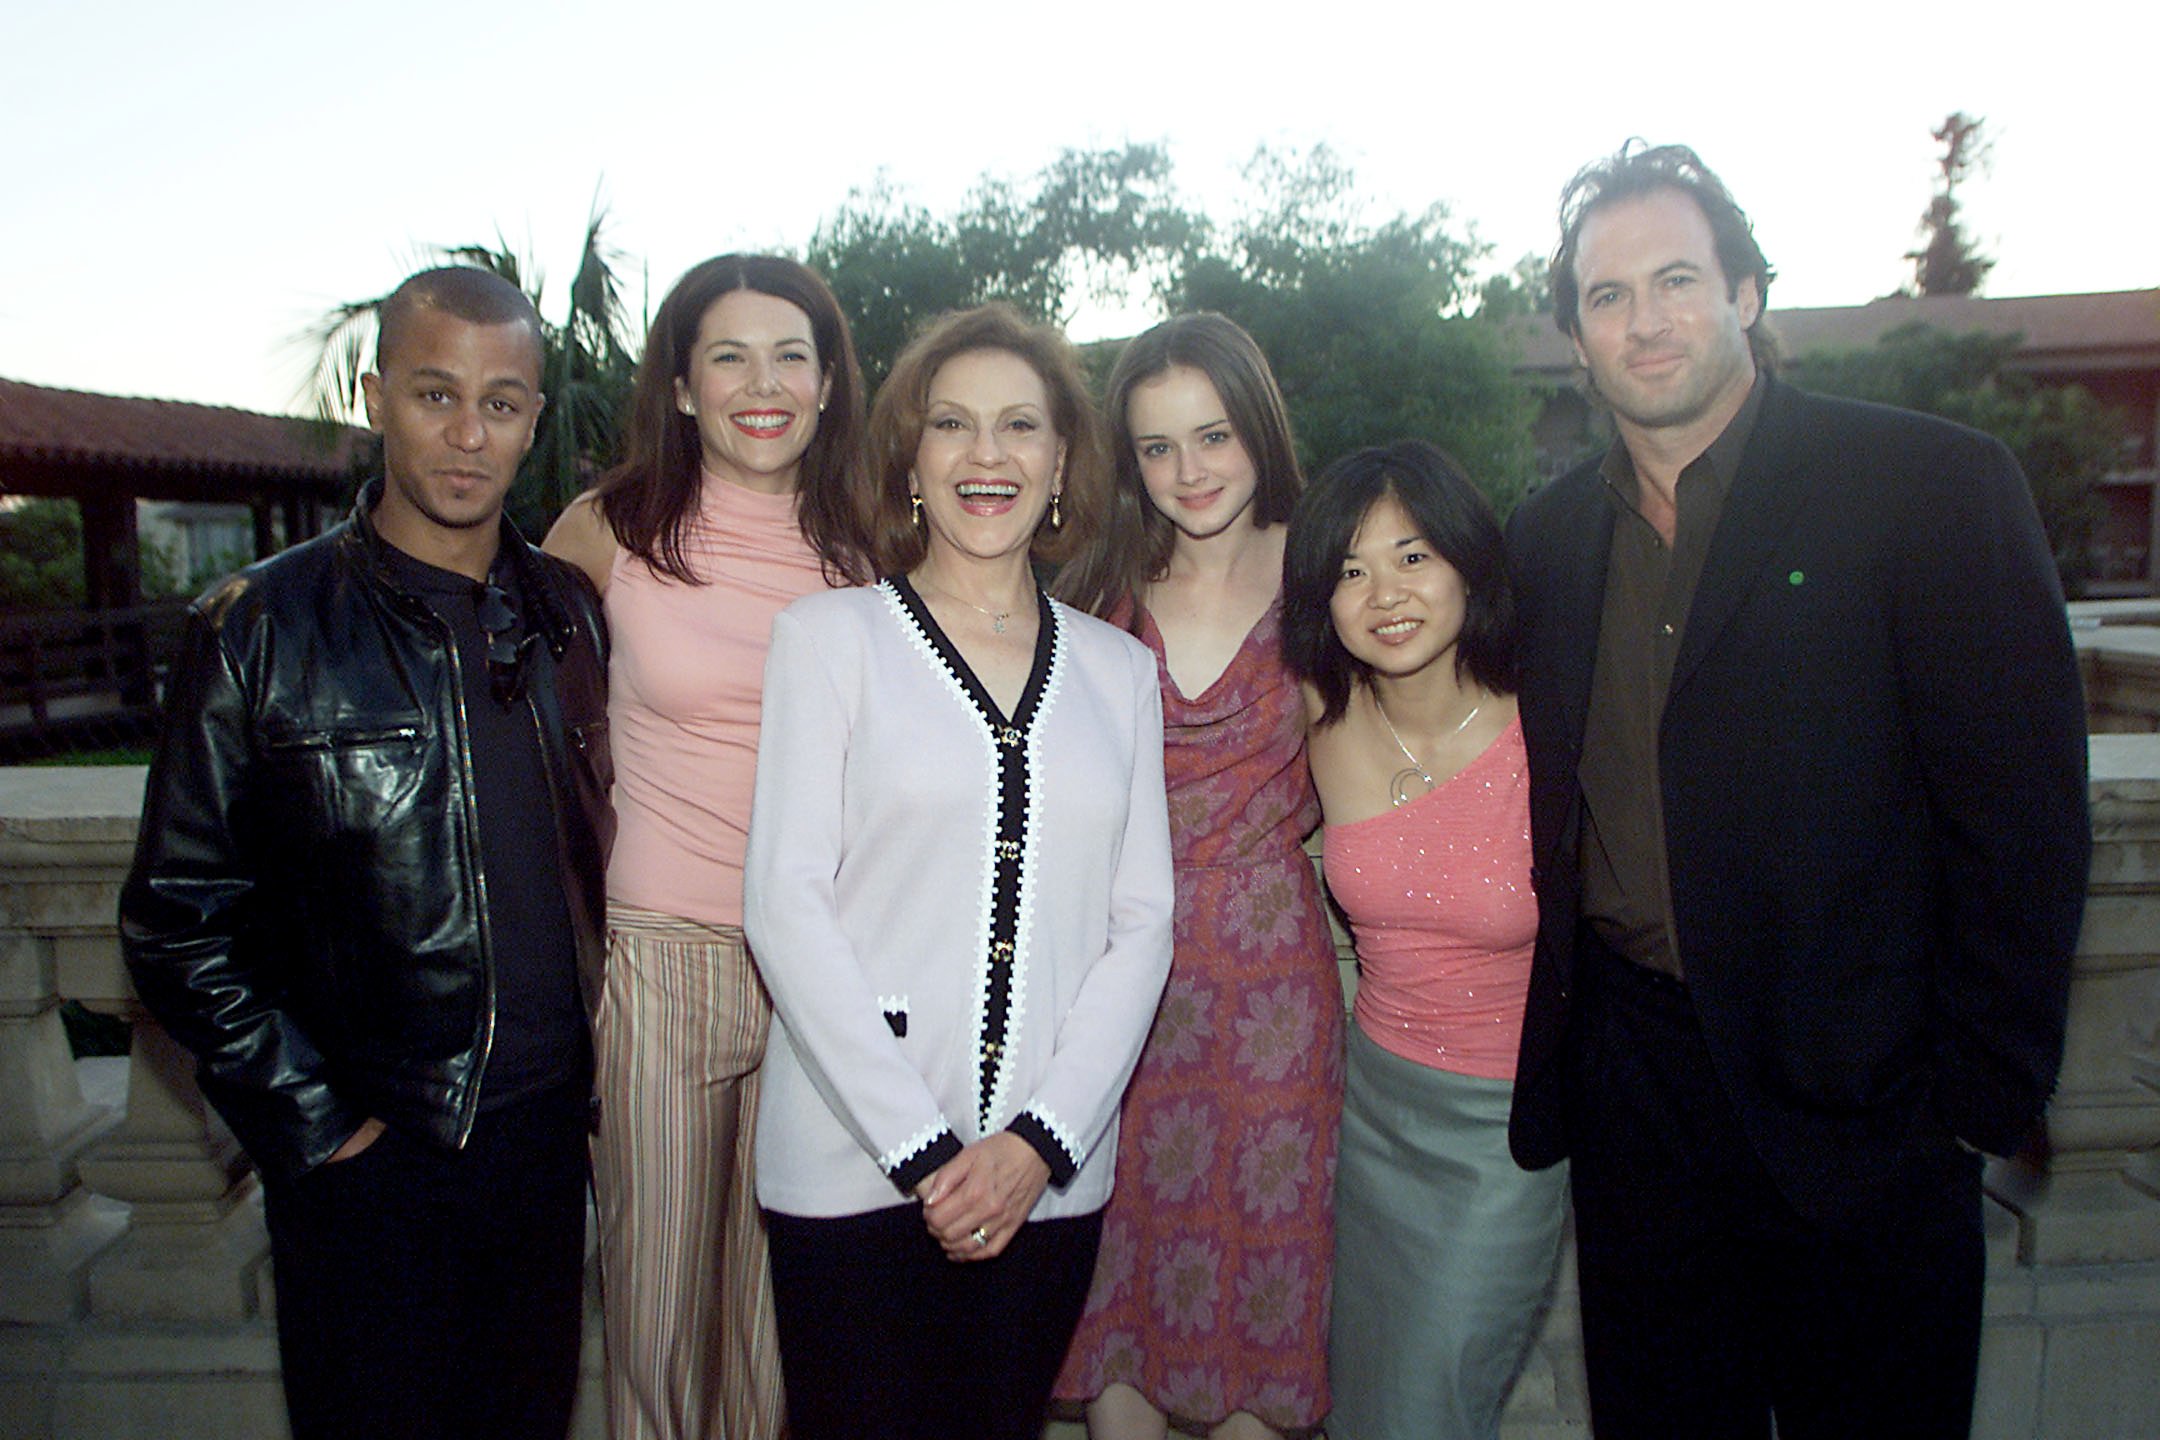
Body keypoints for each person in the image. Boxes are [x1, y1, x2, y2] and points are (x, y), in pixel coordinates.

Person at [1506, 142, 2091, 1438]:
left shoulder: (1929, 487)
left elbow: (2027, 823)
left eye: (1675, 280)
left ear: (1747, 295)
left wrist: (1969, 1108)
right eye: (1608, 296)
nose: (1645, 320)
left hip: (1869, 1115)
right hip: (1636, 1109)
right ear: (1576, 335)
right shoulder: (1546, 545)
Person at [119, 266, 612, 1440]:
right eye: (436, 393)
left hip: (547, 1146)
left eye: (502, 403)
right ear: (376, 393)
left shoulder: (567, 613)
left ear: (534, 421)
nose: (467, 432)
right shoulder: (259, 628)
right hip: (372, 1157)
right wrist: (320, 1125)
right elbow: (175, 919)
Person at [742, 303, 1175, 1440]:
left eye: (1020, 427)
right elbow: (784, 903)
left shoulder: (1123, 671)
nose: (989, 455)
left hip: (1047, 1179)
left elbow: (1144, 924)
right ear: (914, 462)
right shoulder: (827, 642)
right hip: (852, 1166)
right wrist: (928, 1154)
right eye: (954, 424)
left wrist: (1036, 1143)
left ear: (1062, 466)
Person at [542, 253, 872, 1440]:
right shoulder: (611, 528)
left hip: (818, 975)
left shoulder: (870, 544)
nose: (761, 382)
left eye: (791, 354)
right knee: (657, 1313)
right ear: (682, 386)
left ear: (830, 383)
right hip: (660, 958)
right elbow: (493, 676)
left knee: (771, 1321)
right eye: (728, 355)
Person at [1053, 313, 1342, 1440]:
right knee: (1121, 1270)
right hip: (1116, 978)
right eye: (1158, 448)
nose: (1189, 472)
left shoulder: (1331, 569)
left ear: (1259, 429)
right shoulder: (1097, 588)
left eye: (1213, 436)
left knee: (1270, 1263)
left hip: (1271, 988)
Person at [1280, 441, 1566, 1440]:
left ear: (1466, 564)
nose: (1384, 592)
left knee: (1430, 1407)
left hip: (1505, 1134)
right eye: (1350, 569)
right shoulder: (1318, 719)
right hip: (1370, 1111)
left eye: (1411, 556)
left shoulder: (1552, 726)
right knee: (1360, 1404)